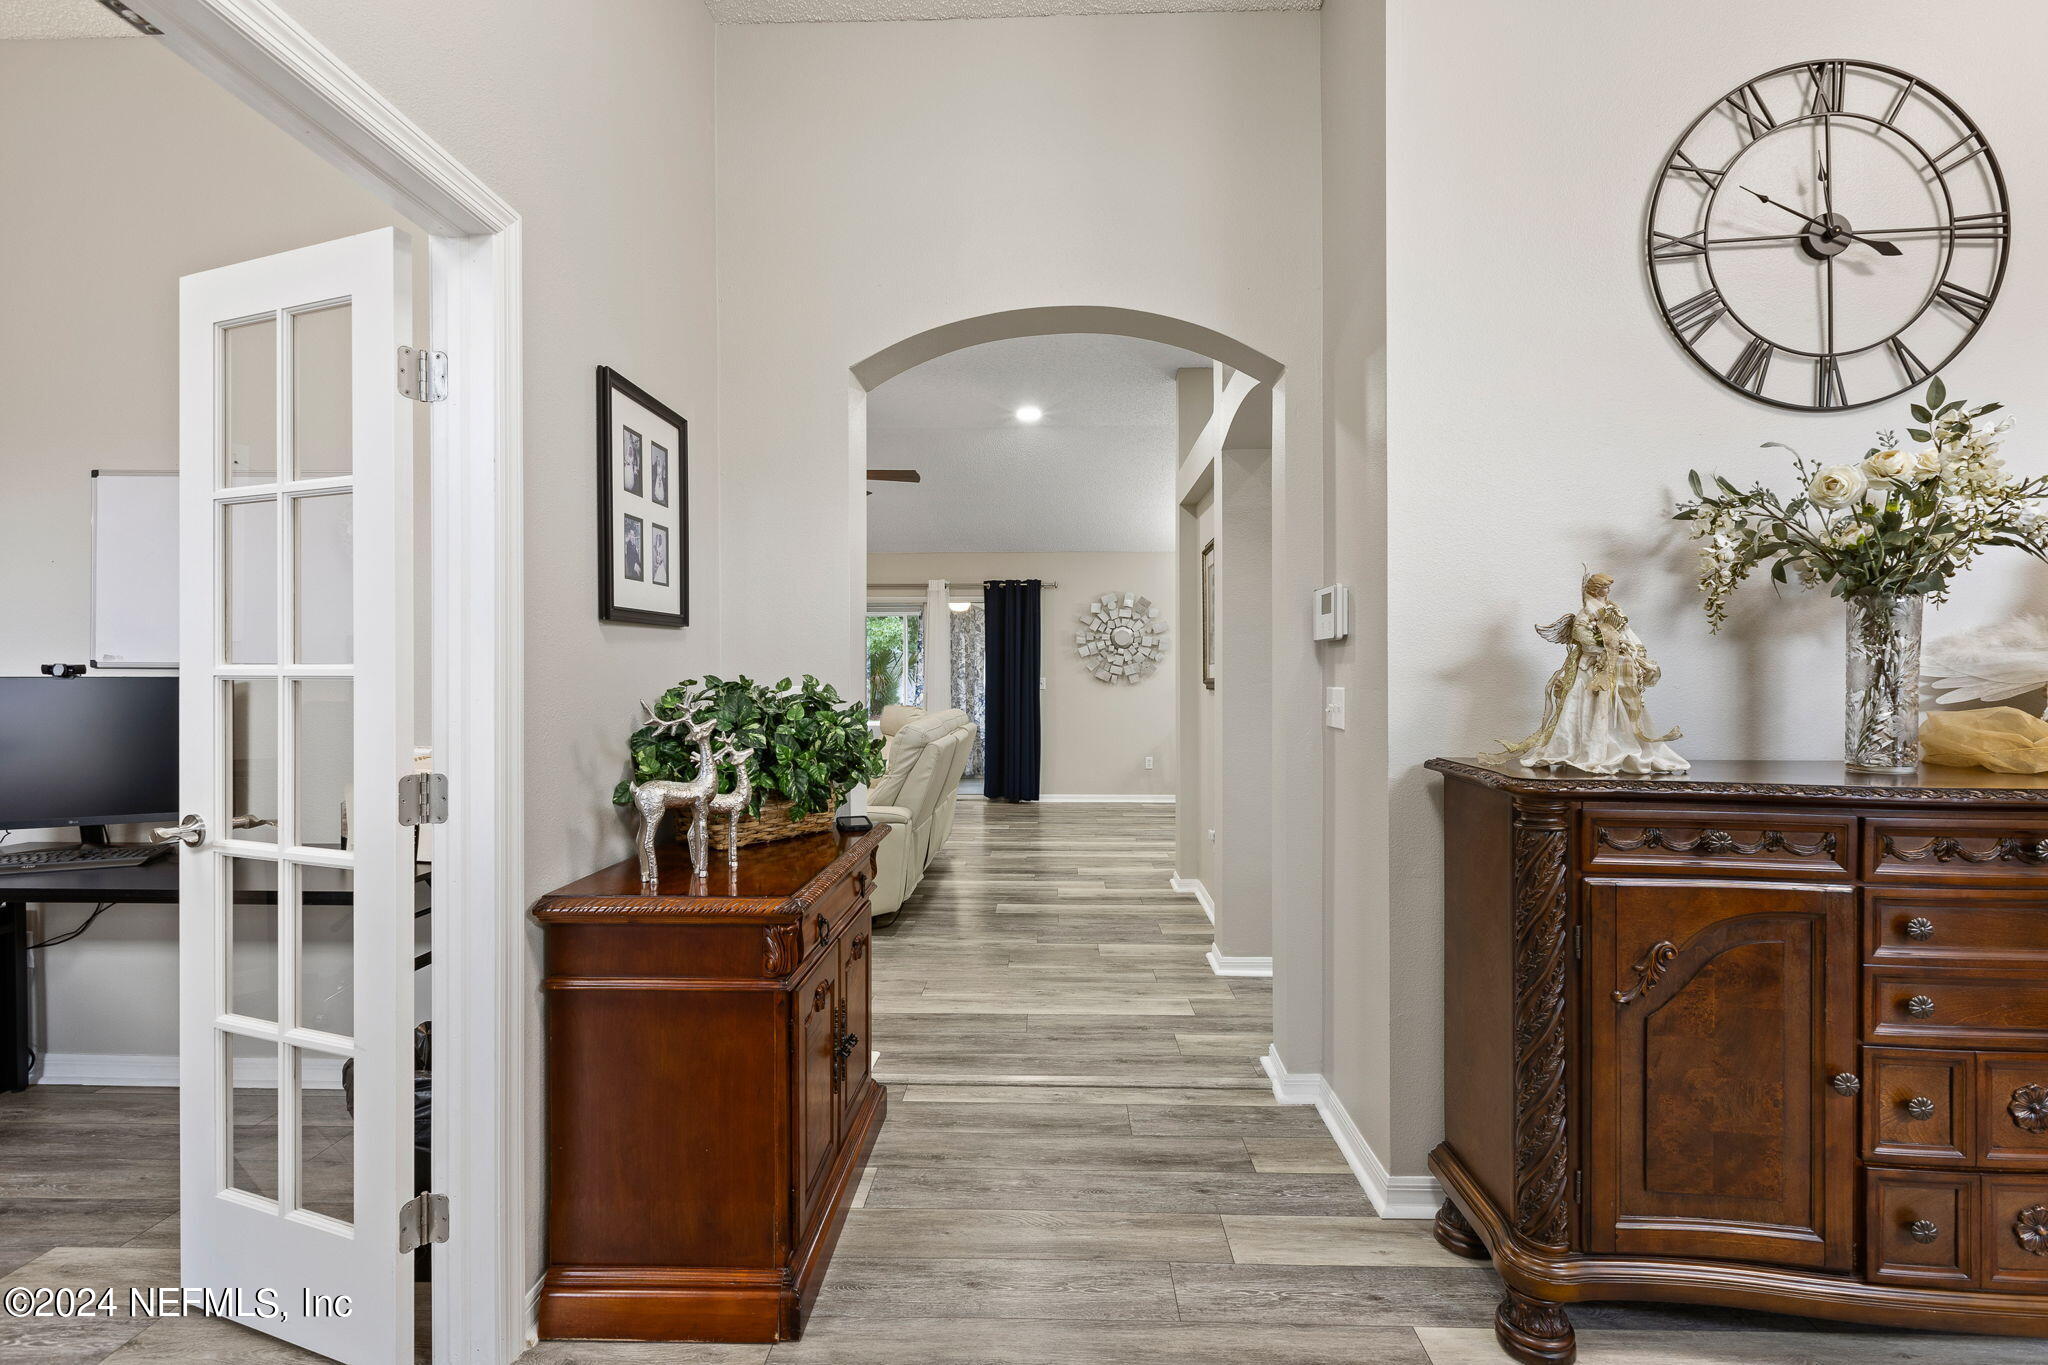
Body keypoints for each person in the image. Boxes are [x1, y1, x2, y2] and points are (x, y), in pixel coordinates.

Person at [1500, 572, 1688, 775]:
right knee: (1586, 703)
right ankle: (1585, 748)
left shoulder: (1613, 607)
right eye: (1605, 587)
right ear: (1595, 589)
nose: (1608, 591)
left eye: (1608, 588)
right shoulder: (1586, 613)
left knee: (1617, 702)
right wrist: (1605, 646)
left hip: (1614, 662)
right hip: (1592, 666)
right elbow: (1582, 637)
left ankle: (1618, 746)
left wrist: (1631, 646)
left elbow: (1625, 630)